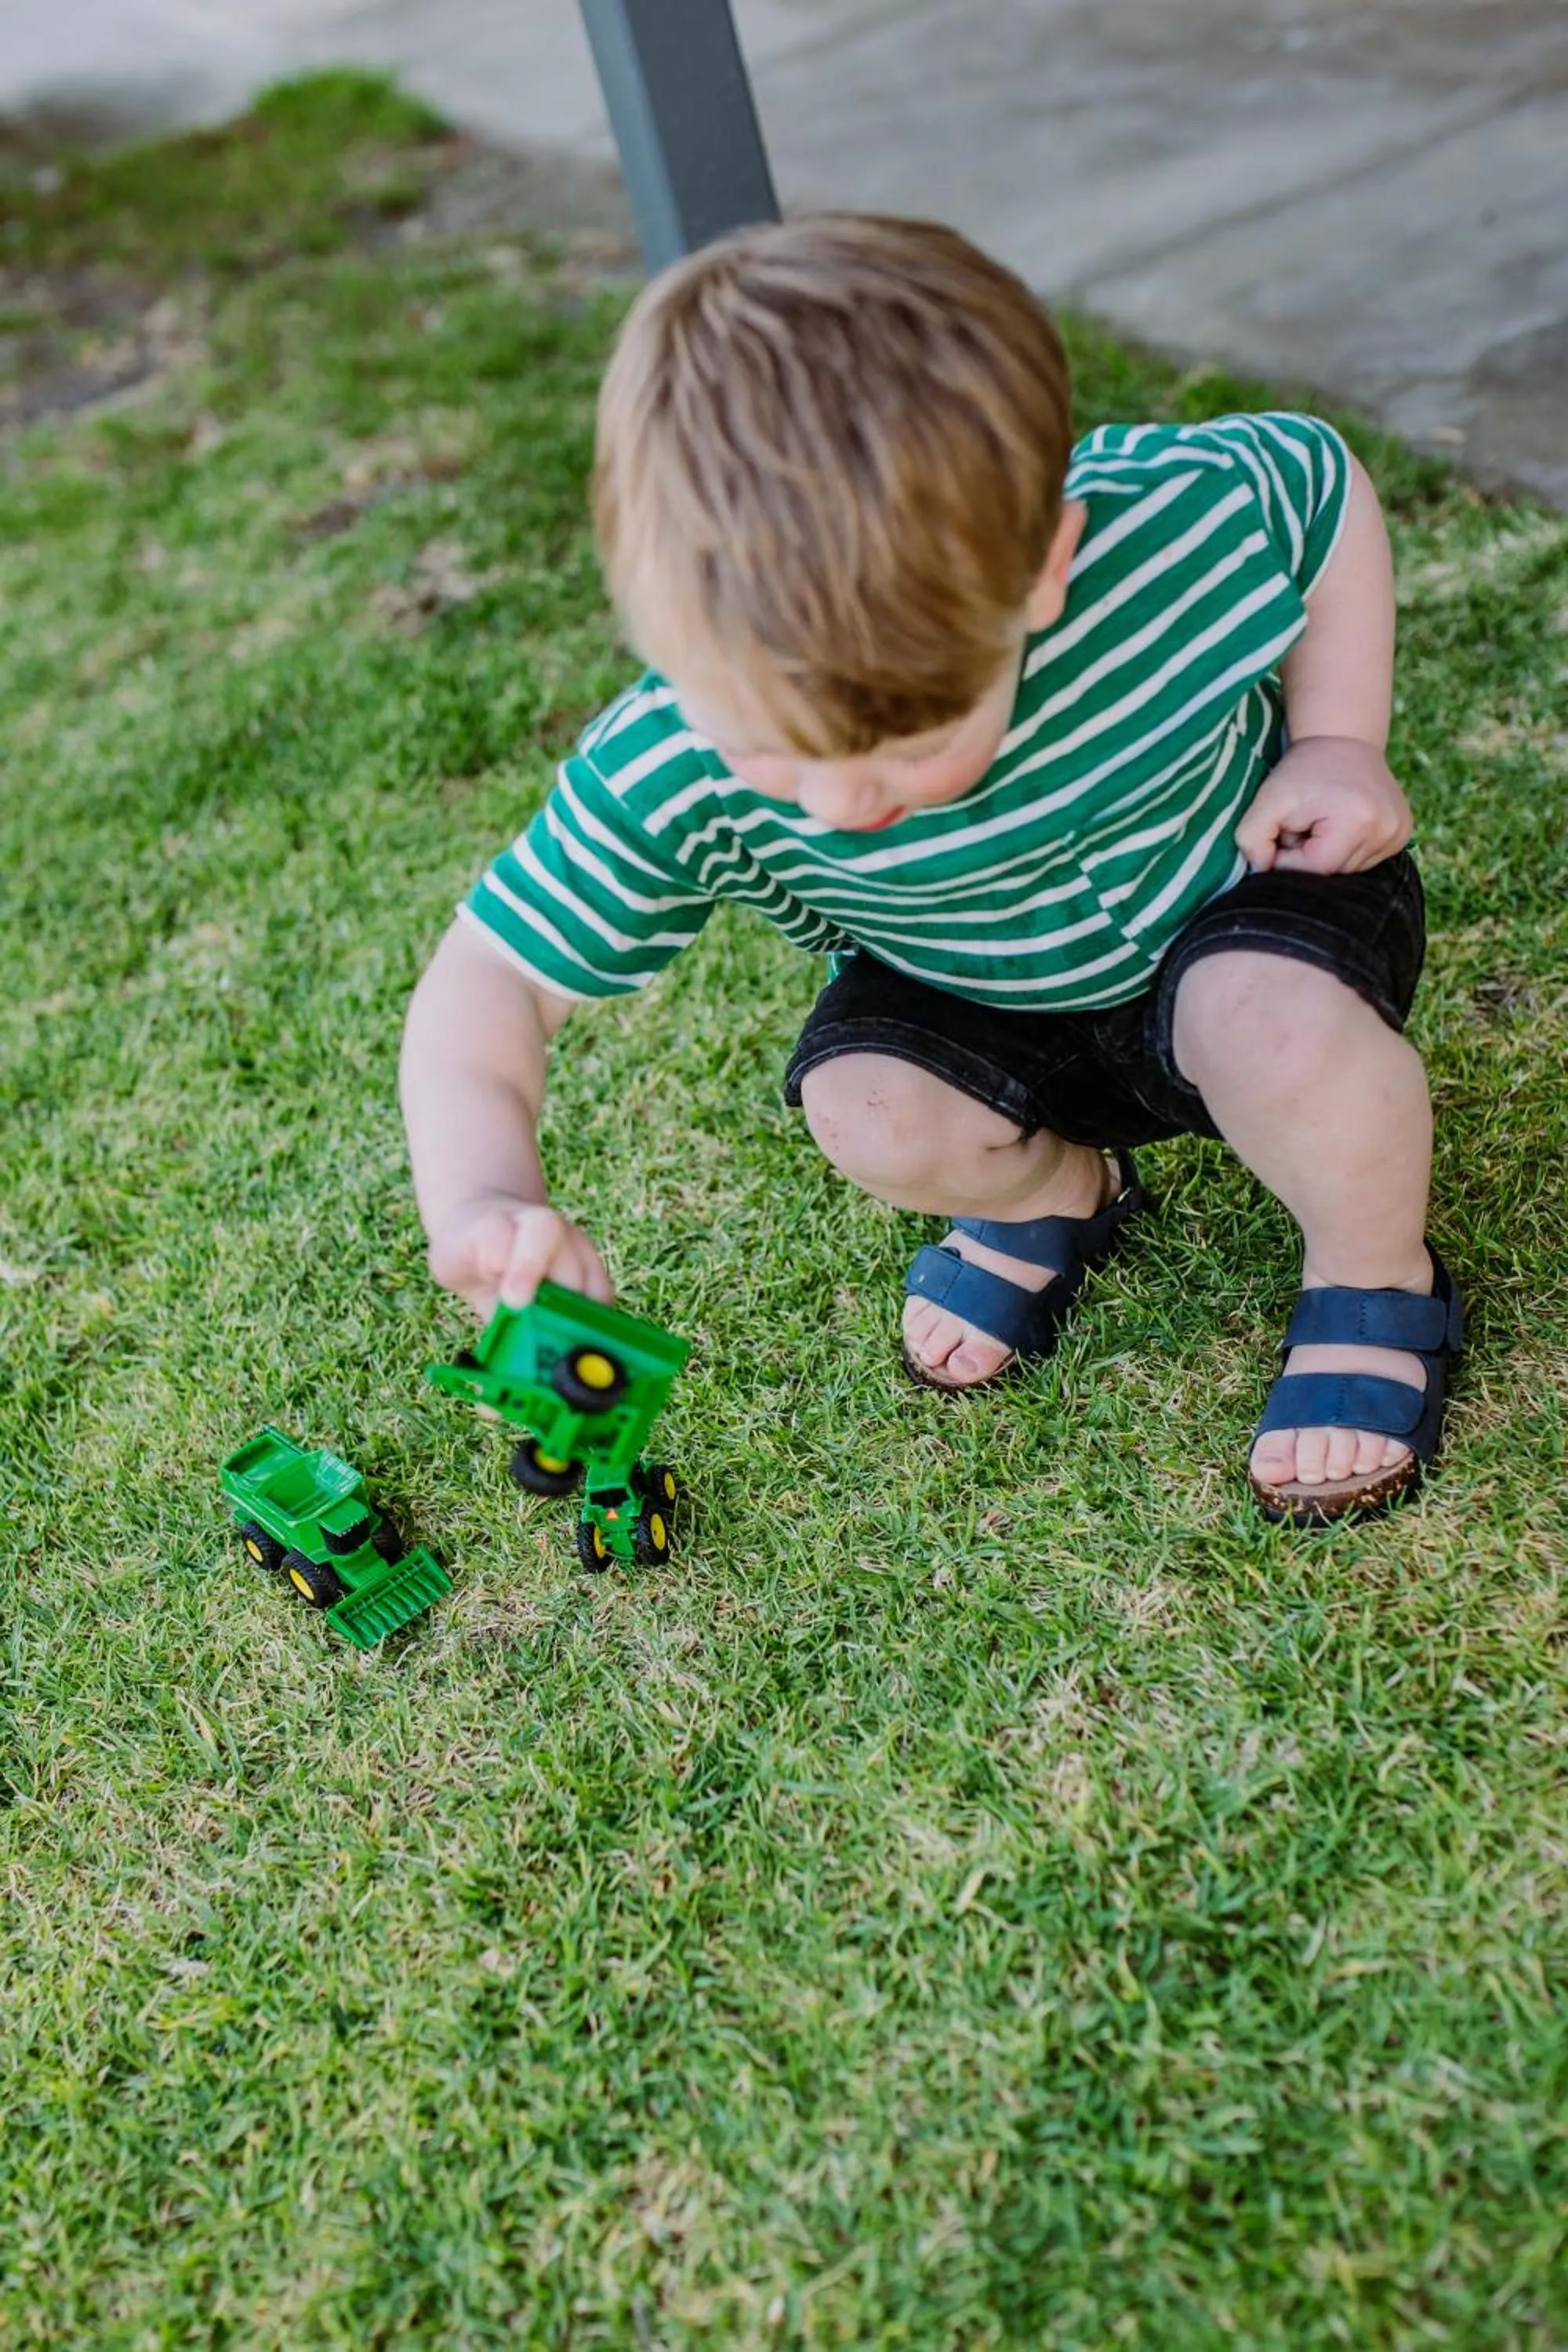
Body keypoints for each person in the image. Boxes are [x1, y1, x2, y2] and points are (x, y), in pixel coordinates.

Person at [400, 213, 1461, 1528]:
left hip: (1257, 909)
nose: (844, 804)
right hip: (992, 991)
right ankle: (1053, 1198)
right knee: (869, 1106)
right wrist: (487, 1193)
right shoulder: (670, 759)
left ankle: (1373, 1279)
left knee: (1269, 1029)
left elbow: (1325, 483)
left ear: (1044, 569)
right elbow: (488, 979)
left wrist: (1341, 743)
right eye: (777, 754)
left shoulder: (1169, 532)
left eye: (904, 745)